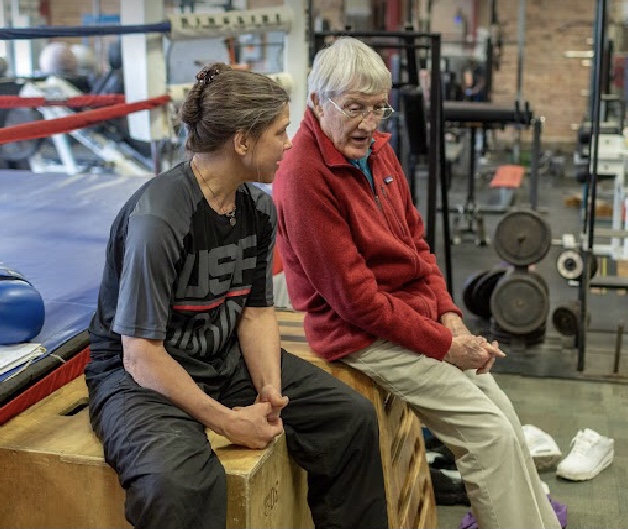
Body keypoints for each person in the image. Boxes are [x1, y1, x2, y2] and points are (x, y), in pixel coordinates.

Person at [272, 37, 562, 529]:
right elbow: (358, 303)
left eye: (377, 108)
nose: (369, 123)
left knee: (504, 415)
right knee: (487, 435)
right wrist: (448, 346)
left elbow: (416, 244)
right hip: (361, 336)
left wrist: (449, 313)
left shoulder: (378, 151)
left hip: (414, 317)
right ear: (317, 103)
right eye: (355, 108)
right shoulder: (302, 178)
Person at [84, 62, 388, 529]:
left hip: (222, 356)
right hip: (139, 376)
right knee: (179, 486)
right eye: (279, 132)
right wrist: (228, 421)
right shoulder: (160, 217)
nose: (290, 144)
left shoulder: (257, 207)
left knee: (350, 419)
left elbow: (256, 313)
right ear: (242, 142)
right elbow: (141, 355)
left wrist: (269, 389)